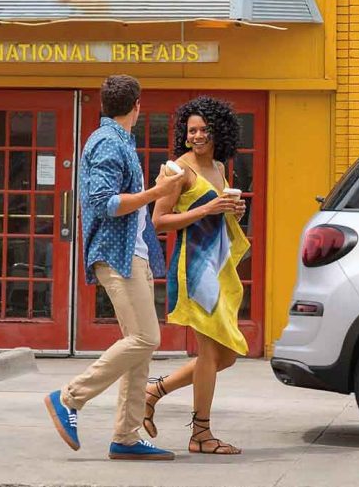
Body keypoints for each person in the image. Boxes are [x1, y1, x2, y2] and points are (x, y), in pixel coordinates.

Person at [43, 75, 180, 461]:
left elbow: (121, 199)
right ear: (137, 104)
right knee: (145, 339)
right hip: (118, 255)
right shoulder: (107, 142)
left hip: (131, 251)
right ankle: (68, 397)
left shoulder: (118, 140)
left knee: (139, 348)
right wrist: (157, 193)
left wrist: (156, 186)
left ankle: (127, 436)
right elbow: (104, 202)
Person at [143, 96, 249, 456]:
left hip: (218, 266)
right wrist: (206, 207)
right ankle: (201, 434)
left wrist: (233, 208)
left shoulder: (219, 167)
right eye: (192, 130)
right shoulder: (177, 170)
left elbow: (219, 212)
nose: (198, 135)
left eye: (204, 129)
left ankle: (153, 392)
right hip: (192, 268)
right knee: (208, 352)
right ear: (184, 135)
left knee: (227, 355)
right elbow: (159, 220)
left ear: (218, 131)